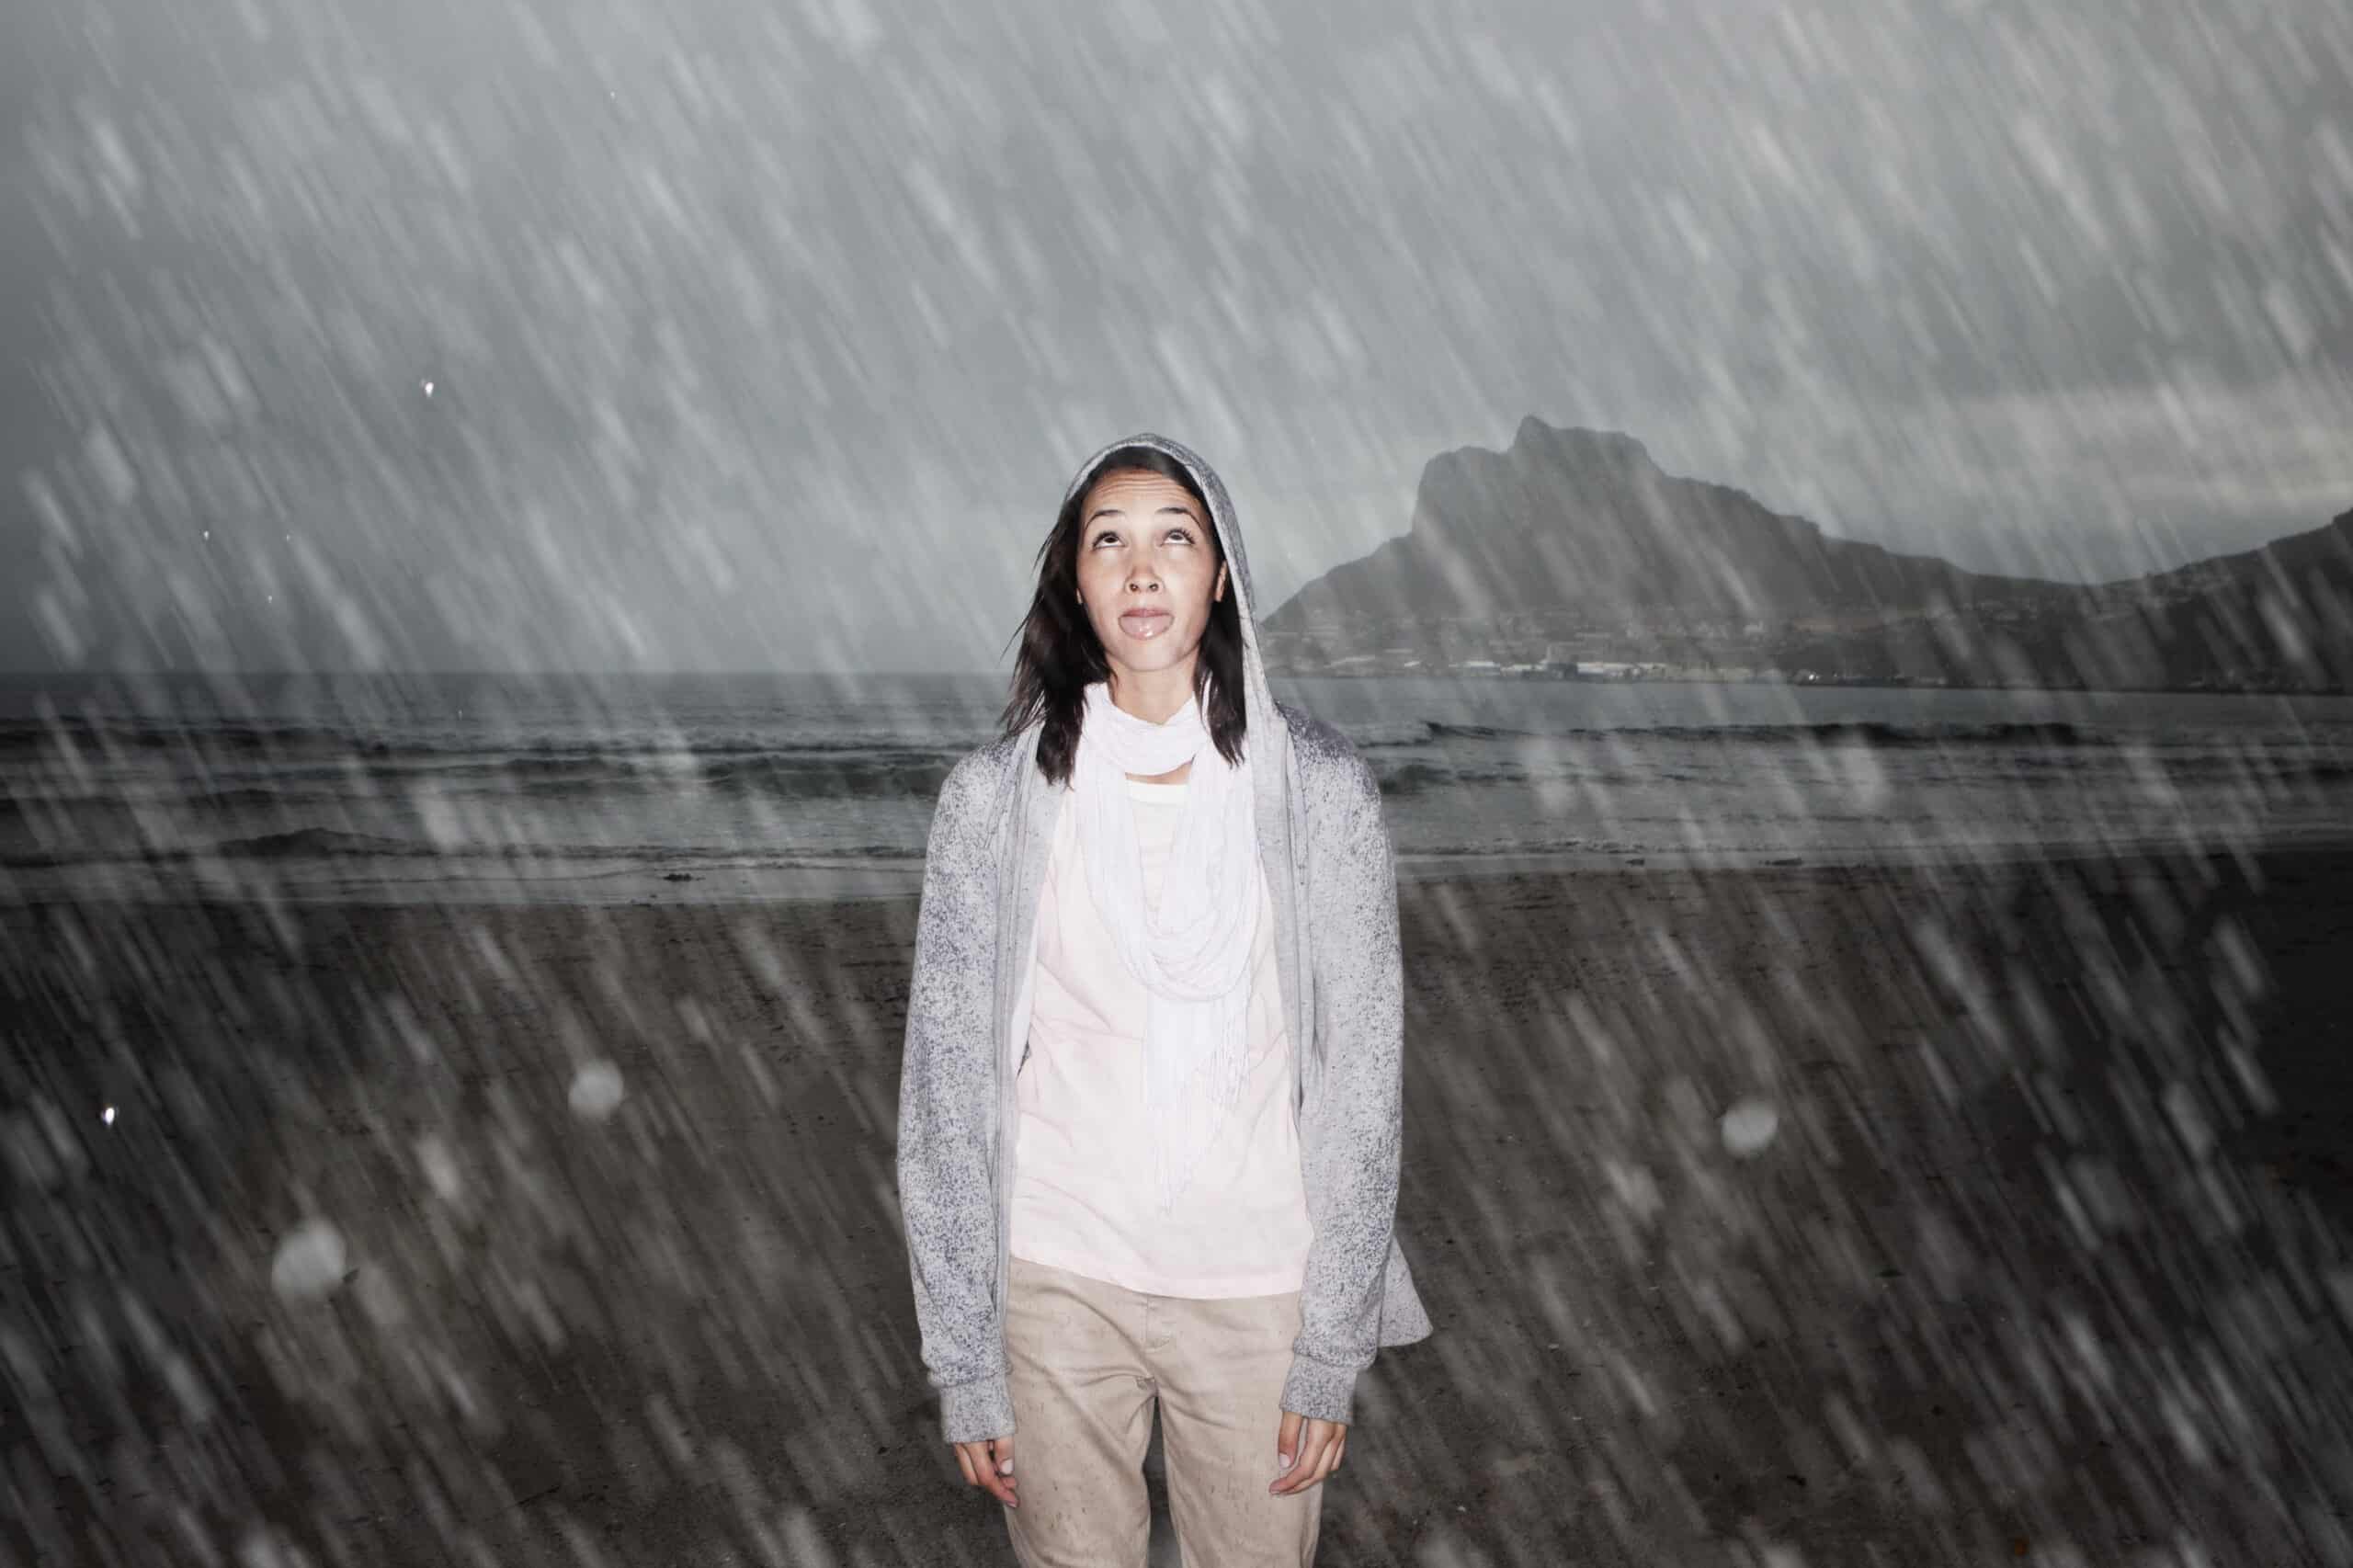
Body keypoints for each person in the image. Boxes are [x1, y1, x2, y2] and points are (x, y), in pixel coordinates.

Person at [895, 432, 1433, 1565]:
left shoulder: (1318, 793)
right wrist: (965, 1353)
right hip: (1052, 1279)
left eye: (1173, 539)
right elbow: (945, 1084)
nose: (1141, 570)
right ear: (1075, 580)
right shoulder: (991, 801)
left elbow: (1361, 1079)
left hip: (1257, 1288)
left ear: (1221, 570)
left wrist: (1330, 1340)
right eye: (1110, 542)